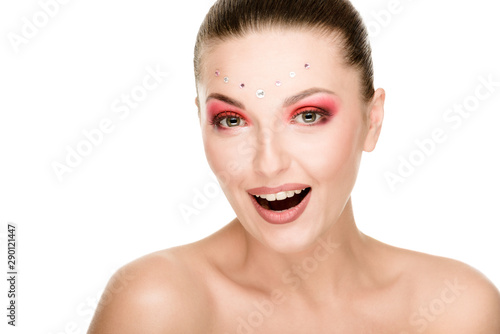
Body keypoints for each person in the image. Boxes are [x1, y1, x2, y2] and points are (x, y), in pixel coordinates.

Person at [88, 0, 500, 332]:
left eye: (308, 116)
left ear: (372, 121)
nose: (269, 164)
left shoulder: (456, 309)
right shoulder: (154, 305)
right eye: (232, 121)